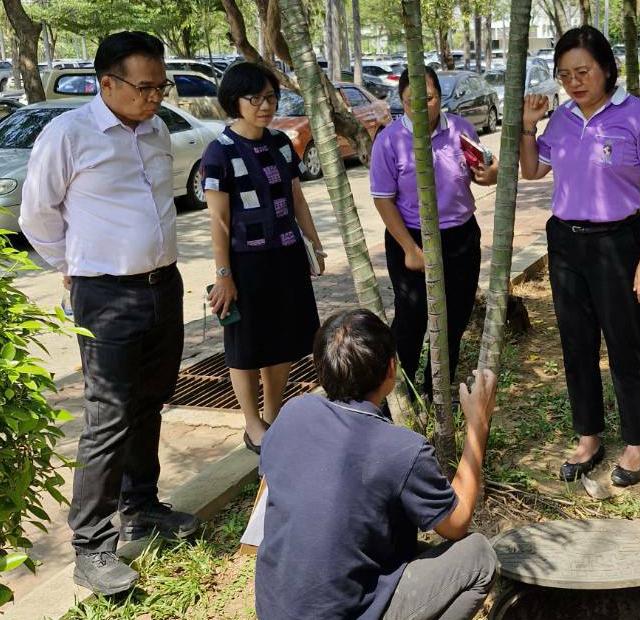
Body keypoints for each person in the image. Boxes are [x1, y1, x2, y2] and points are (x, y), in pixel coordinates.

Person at [18, 31, 198, 595]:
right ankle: (92, 545)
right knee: (109, 415)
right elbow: (37, 216)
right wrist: (76, 267)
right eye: (144, 87)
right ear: (107, 84)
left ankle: (142, 506)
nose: (154, 97)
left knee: (151, 400)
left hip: (163, 285)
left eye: (160, 86)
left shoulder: (159, 128)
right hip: (106, 296)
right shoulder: (68, 134)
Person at [255, 309, 498, 620]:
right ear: (391, 369)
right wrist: (478, 426)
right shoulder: (403, 449)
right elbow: (456, 522)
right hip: (343, 611)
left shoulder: (292, 414)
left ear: (320, 369)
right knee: (478, 555)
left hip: (275, 608)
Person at [519, 25, 640, 487]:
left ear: (606, 68)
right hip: (566, 242)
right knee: (576, 345)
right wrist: (528, 124)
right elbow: (531, 170)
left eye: (583, 71)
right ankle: (588, 436)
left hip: (618, 242)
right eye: (565, 75)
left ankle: (637, 440)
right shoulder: (561, 120)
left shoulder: (639, 116)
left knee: (626, 344)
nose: (574, 82)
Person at [202, 62, 323, 453]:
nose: (264, 105)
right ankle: (252, 424)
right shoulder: (218, 152)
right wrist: (224, 274)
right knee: (246, 345)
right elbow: (219, 220)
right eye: (254, 98)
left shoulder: (281, 143)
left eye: (270, 97)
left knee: (284, 339)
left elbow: (297, 198)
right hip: (244, 263)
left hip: (286, 255)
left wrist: (314, 244)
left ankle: (273, 415)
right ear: (234, 101)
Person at [368, 66, 498, 398]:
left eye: (429, 98)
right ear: (401, 101)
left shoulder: (460, 129)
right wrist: (410, 248)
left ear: (440, 96)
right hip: (410, 238)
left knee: (456, 317)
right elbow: (383, 201)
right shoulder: (390, 140)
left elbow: (484, 169)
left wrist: (489, 174)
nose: (422, 106)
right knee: (412, 319)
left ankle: (436, 390)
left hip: (461, 237)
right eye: (413, 101)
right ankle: (401, 393)